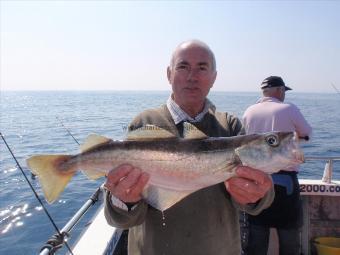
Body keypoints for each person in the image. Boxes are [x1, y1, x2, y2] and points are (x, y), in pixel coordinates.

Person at [103, 40, 274, 255]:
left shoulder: (230, 125)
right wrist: (123, 200)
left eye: (202, 68)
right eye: (183, 67)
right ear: (169, 74)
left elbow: (256, 202)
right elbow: (121, 218)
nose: (192, 76)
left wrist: (257, 195)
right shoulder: (144, 122)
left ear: (214, 77)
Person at [242, 76, 312, 255]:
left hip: (256, 179)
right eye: (283, 91)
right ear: (280, 90)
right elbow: (307, 134)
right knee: (289, 234)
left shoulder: (249, 111)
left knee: (257, 234)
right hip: (285, 181)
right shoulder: (288, 109)